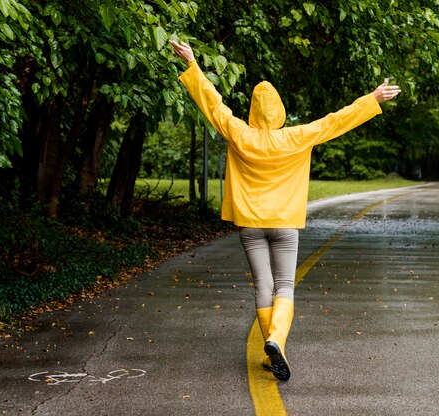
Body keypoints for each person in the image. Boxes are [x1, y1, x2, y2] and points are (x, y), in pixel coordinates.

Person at [171, 40, 400, 381]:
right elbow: (335, 122)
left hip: (250, 223)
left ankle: (272, 350)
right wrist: (372, 99)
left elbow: (213, 105)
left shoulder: (239, 133)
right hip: (284, 223)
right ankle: (276, 340)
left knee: (263, 286)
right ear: (278, 110)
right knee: (285, 287)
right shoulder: (295, 137)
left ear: (252, 109)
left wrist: (193, 64)